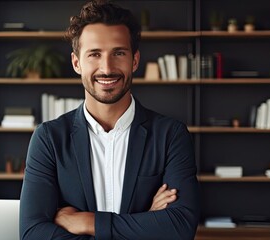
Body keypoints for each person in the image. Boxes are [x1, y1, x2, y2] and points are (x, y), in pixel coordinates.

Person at [19, 1, 200, 239]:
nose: (107, 68)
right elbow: (33, 233)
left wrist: (87, 222)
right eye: (94, 54)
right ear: (76, 63)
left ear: (134, 60)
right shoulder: (49, 139)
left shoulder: (171, 135)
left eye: (119, 53)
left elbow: (180, 226)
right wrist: (144, 221)